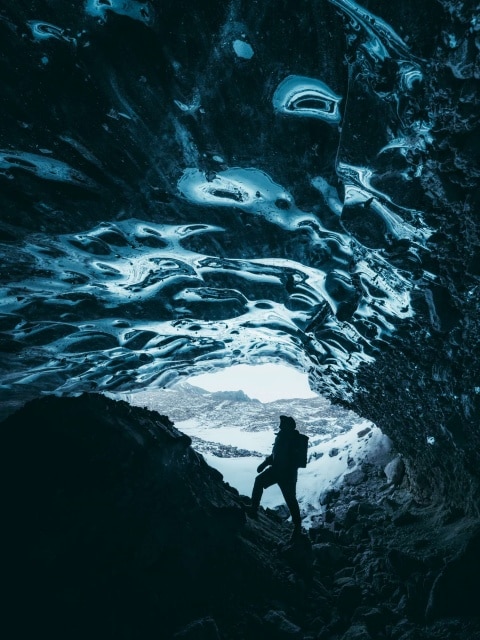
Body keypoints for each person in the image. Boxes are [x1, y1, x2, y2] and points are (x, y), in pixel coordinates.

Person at [248, 415, 303, 537]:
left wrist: (265, 464)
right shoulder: (283, 436)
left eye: (282, 423)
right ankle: (253, 508)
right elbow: (275, 455)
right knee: (290, 499)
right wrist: (264, 463)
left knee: (290, 499)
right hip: (283, 473)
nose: (280, 425)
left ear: (288, 425)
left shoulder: (290, 438)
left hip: (284, 474)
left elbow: (280, 456)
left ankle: (297, 527)